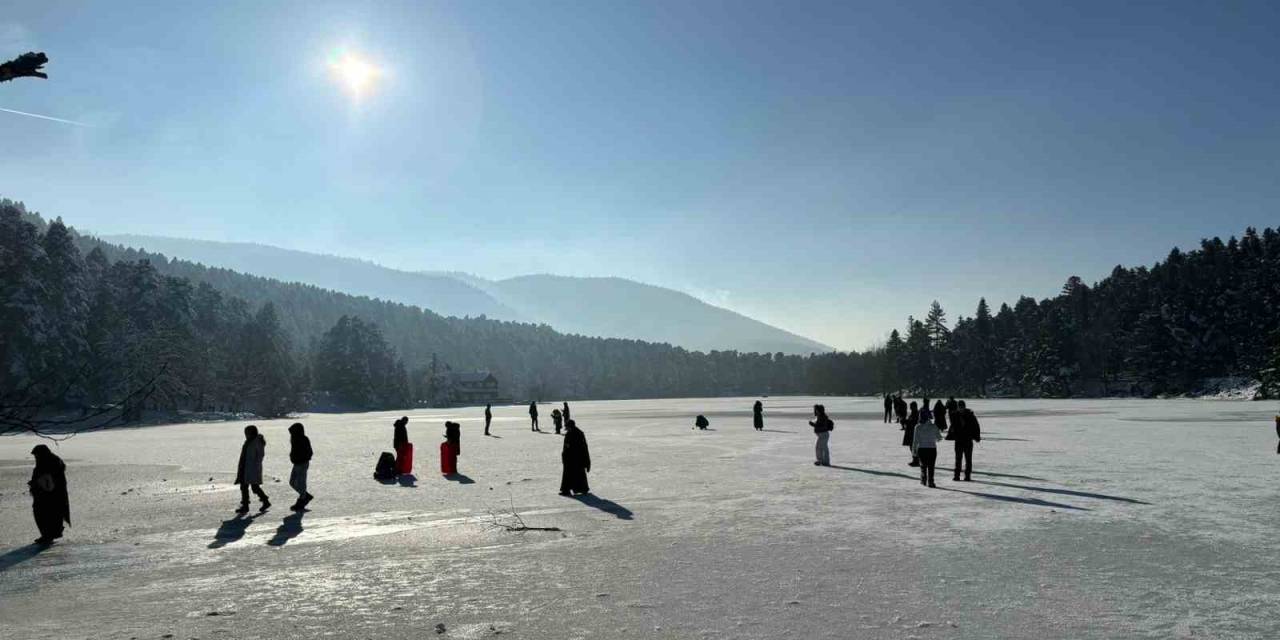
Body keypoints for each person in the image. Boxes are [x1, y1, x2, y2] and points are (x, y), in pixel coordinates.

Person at [29, 445, 70, 545]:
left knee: (46, 514)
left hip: (50, 495)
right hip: (49, 495)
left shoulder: (49, 462)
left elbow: (48, 481)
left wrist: (36, 483)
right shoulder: (52, 461)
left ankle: (48, 535)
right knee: (46, 514)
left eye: (36, 455)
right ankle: (48, 535)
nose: (35, 458)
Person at [235, 425, 270, 513]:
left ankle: (264, 501)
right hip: (245, 467)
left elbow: (260, 456)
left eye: (247, 433)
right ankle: (246, 505)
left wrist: (254, 466)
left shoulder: (257, 442)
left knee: (254, 487)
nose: (245, 434)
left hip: (252, 468)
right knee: (244, 486)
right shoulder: (249, 441)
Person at [952, 400, 982, 481]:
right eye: (959, 407)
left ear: (964, 407)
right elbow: (953, 427)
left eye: (961, 407)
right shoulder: (955, 415)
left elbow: (976, 426)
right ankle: (957, 475)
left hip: (967, 440)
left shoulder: (970, 415)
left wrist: (977, 437)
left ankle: (967, 476)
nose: (960, 408)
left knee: (968, 459)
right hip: (958, 440)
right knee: (958, 458)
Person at [559, 419, 591, 496]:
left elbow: (583, 447)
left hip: (575, 458)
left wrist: (586, 460)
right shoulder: (576, 433)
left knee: (573, 474)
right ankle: (575, 489)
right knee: (576, 474)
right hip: (572, 458)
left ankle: (571, 489)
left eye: (567, 427)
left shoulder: (576, 434)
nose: (567, 429)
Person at [912, 409, 942, 488]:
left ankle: (923, 480)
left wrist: (914, 451)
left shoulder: (917, 427)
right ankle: (931, 482)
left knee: (923, 466)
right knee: (931, 466)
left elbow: (915, 441)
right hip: (932, 449)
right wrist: (933, 438)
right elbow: (939, 438)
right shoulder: (934, 426)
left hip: (922, 449)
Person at [288, 422, 314, 511]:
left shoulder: (303, 439)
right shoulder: (294, 439)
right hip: (296, 463)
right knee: (292, 482)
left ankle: (301, 501)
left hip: (302, 464)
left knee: (301, 483)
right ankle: (305, 496)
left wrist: (302, 459)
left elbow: (309, 452)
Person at [902, 401, 920, 467]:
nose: (910, 408)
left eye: (911, 406)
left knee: (913, 447)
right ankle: (915, 460)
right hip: (911, 432)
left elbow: (914, 423)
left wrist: (906, 422)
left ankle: (916, 460)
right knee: (912, 447)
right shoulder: (913, 413)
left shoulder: (916, 414)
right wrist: (905, 421)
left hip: (913, 433)